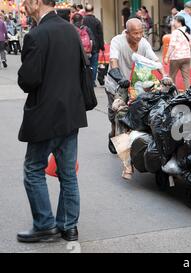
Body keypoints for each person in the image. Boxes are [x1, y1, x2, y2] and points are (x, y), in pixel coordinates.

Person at [17, 0, 88, 243]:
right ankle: (69, 227)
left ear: (37, 2)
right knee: (68, 173)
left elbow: (28, 80)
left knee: (33, 168)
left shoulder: (36, 35)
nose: (24, 6)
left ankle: (44, 225)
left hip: (45, 115)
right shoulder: (70, 29)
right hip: (71, 113)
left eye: (26, 1)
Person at [105, 18, 168, 154]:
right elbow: (113, 60)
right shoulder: (117, 41)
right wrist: (119, 77)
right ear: (127, 32)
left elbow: (155, 61)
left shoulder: (144, 43)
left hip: (135, 86)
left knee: (132, 114)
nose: (139, 36)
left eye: (141, 32)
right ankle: (113, 133)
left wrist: (165, 76)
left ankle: (126, 148)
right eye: (135, 33)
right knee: (115, 115)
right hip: (116, 84)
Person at [164, 15, 191, 91]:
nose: (173, 22)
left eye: (174, 21)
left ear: (179, 22)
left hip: (176, 58)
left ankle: (172, 94)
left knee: (172, 77)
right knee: (186, 78)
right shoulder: (188, 31)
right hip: (187, 57)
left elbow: (172, 45)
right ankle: (188, 94)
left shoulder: (175, 32)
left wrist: (167, 56)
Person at [83, 4, 105, 86]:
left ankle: (86, 80)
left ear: (85, 10)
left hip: (84, 47)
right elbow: (100, 35)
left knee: (85, 64)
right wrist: (102, 47)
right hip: (95, 46)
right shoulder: (97, 21)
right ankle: (92, 81)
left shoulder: (83, 21)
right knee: (94, 64)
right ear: (93, 10)